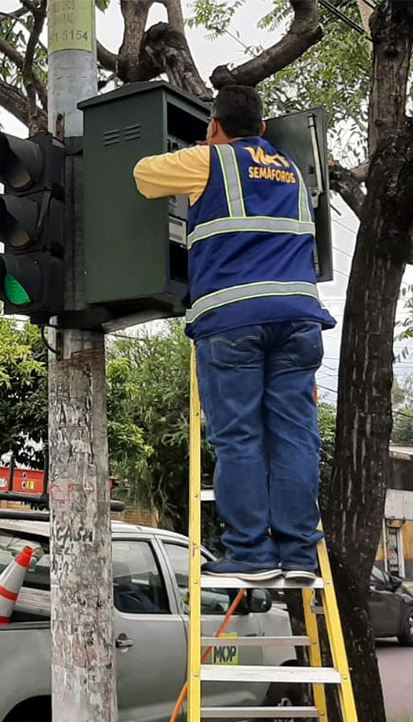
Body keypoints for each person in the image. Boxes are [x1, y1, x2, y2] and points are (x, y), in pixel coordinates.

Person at [133, 85, 335, 582]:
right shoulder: (293, 172)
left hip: (233, 321)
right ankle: (300, 555)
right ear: (263, 129)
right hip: (299, 318)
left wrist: (204, 149)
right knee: (295, 436)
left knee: (239, 438)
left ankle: (251, 553)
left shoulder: (210, 161)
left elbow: (143, 175)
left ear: (215, 126)